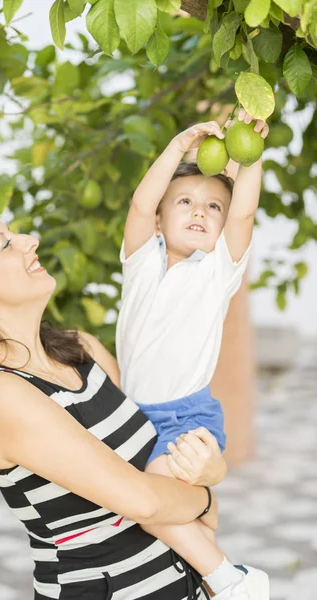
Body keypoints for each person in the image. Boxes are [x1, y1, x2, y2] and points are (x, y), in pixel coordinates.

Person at [0, 206, 246, 600]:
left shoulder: (81, 349)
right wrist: (207, 500)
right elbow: (144, 501)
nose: (29, 242)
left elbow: (166, 447)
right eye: (5, 244)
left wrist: (210, 470)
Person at [116, 108, 270, 600]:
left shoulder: (216, 272)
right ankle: (204, 582)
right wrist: (177, 150)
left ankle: (234, 581)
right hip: (134, 418)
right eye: (184, 202)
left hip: (184, 418)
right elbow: (141, 205)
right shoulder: (141, 261)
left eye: (213, 207)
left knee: (146, 502)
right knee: (182, 525)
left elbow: (244, 211)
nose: (200, 212)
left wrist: (249, 157)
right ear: (161, 222)